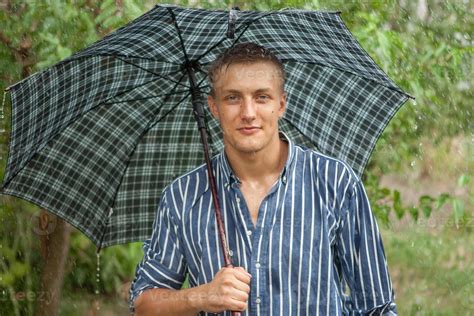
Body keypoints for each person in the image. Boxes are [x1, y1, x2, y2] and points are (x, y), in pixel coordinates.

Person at [129, 42, 398, 315]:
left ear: (281, 104)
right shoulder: (183, 196)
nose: (248, 113)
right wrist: (200, 296)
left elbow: (378, 306)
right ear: (213, 107)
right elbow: (143, 305)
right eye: (232, 98)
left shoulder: (335, 183)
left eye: (261, 97)